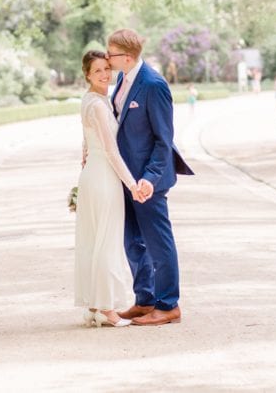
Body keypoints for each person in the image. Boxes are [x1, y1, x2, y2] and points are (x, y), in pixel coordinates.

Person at [107, 29, 195, 326]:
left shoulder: (153, 84)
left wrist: (149, 178)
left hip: (147, 181)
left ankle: (169, 304)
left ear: (127, 57)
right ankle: (144, 299)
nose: (107, 58)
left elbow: (163, 139)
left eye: (111, 54)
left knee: (159, 242)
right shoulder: (122, 78)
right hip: (126, 177)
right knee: (133, 241)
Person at [74, 51, 142, 328]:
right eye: (97, 70)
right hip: (104, 177)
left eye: (106, 68)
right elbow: (112, 151)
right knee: (107, 243)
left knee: (94, 240)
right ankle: (108, 310)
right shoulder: (100, 106)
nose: (104, 74)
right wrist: (133, 185)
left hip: (92, 175)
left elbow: (86, 145)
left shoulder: (91, 101)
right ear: (87, 75)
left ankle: (93, 305)